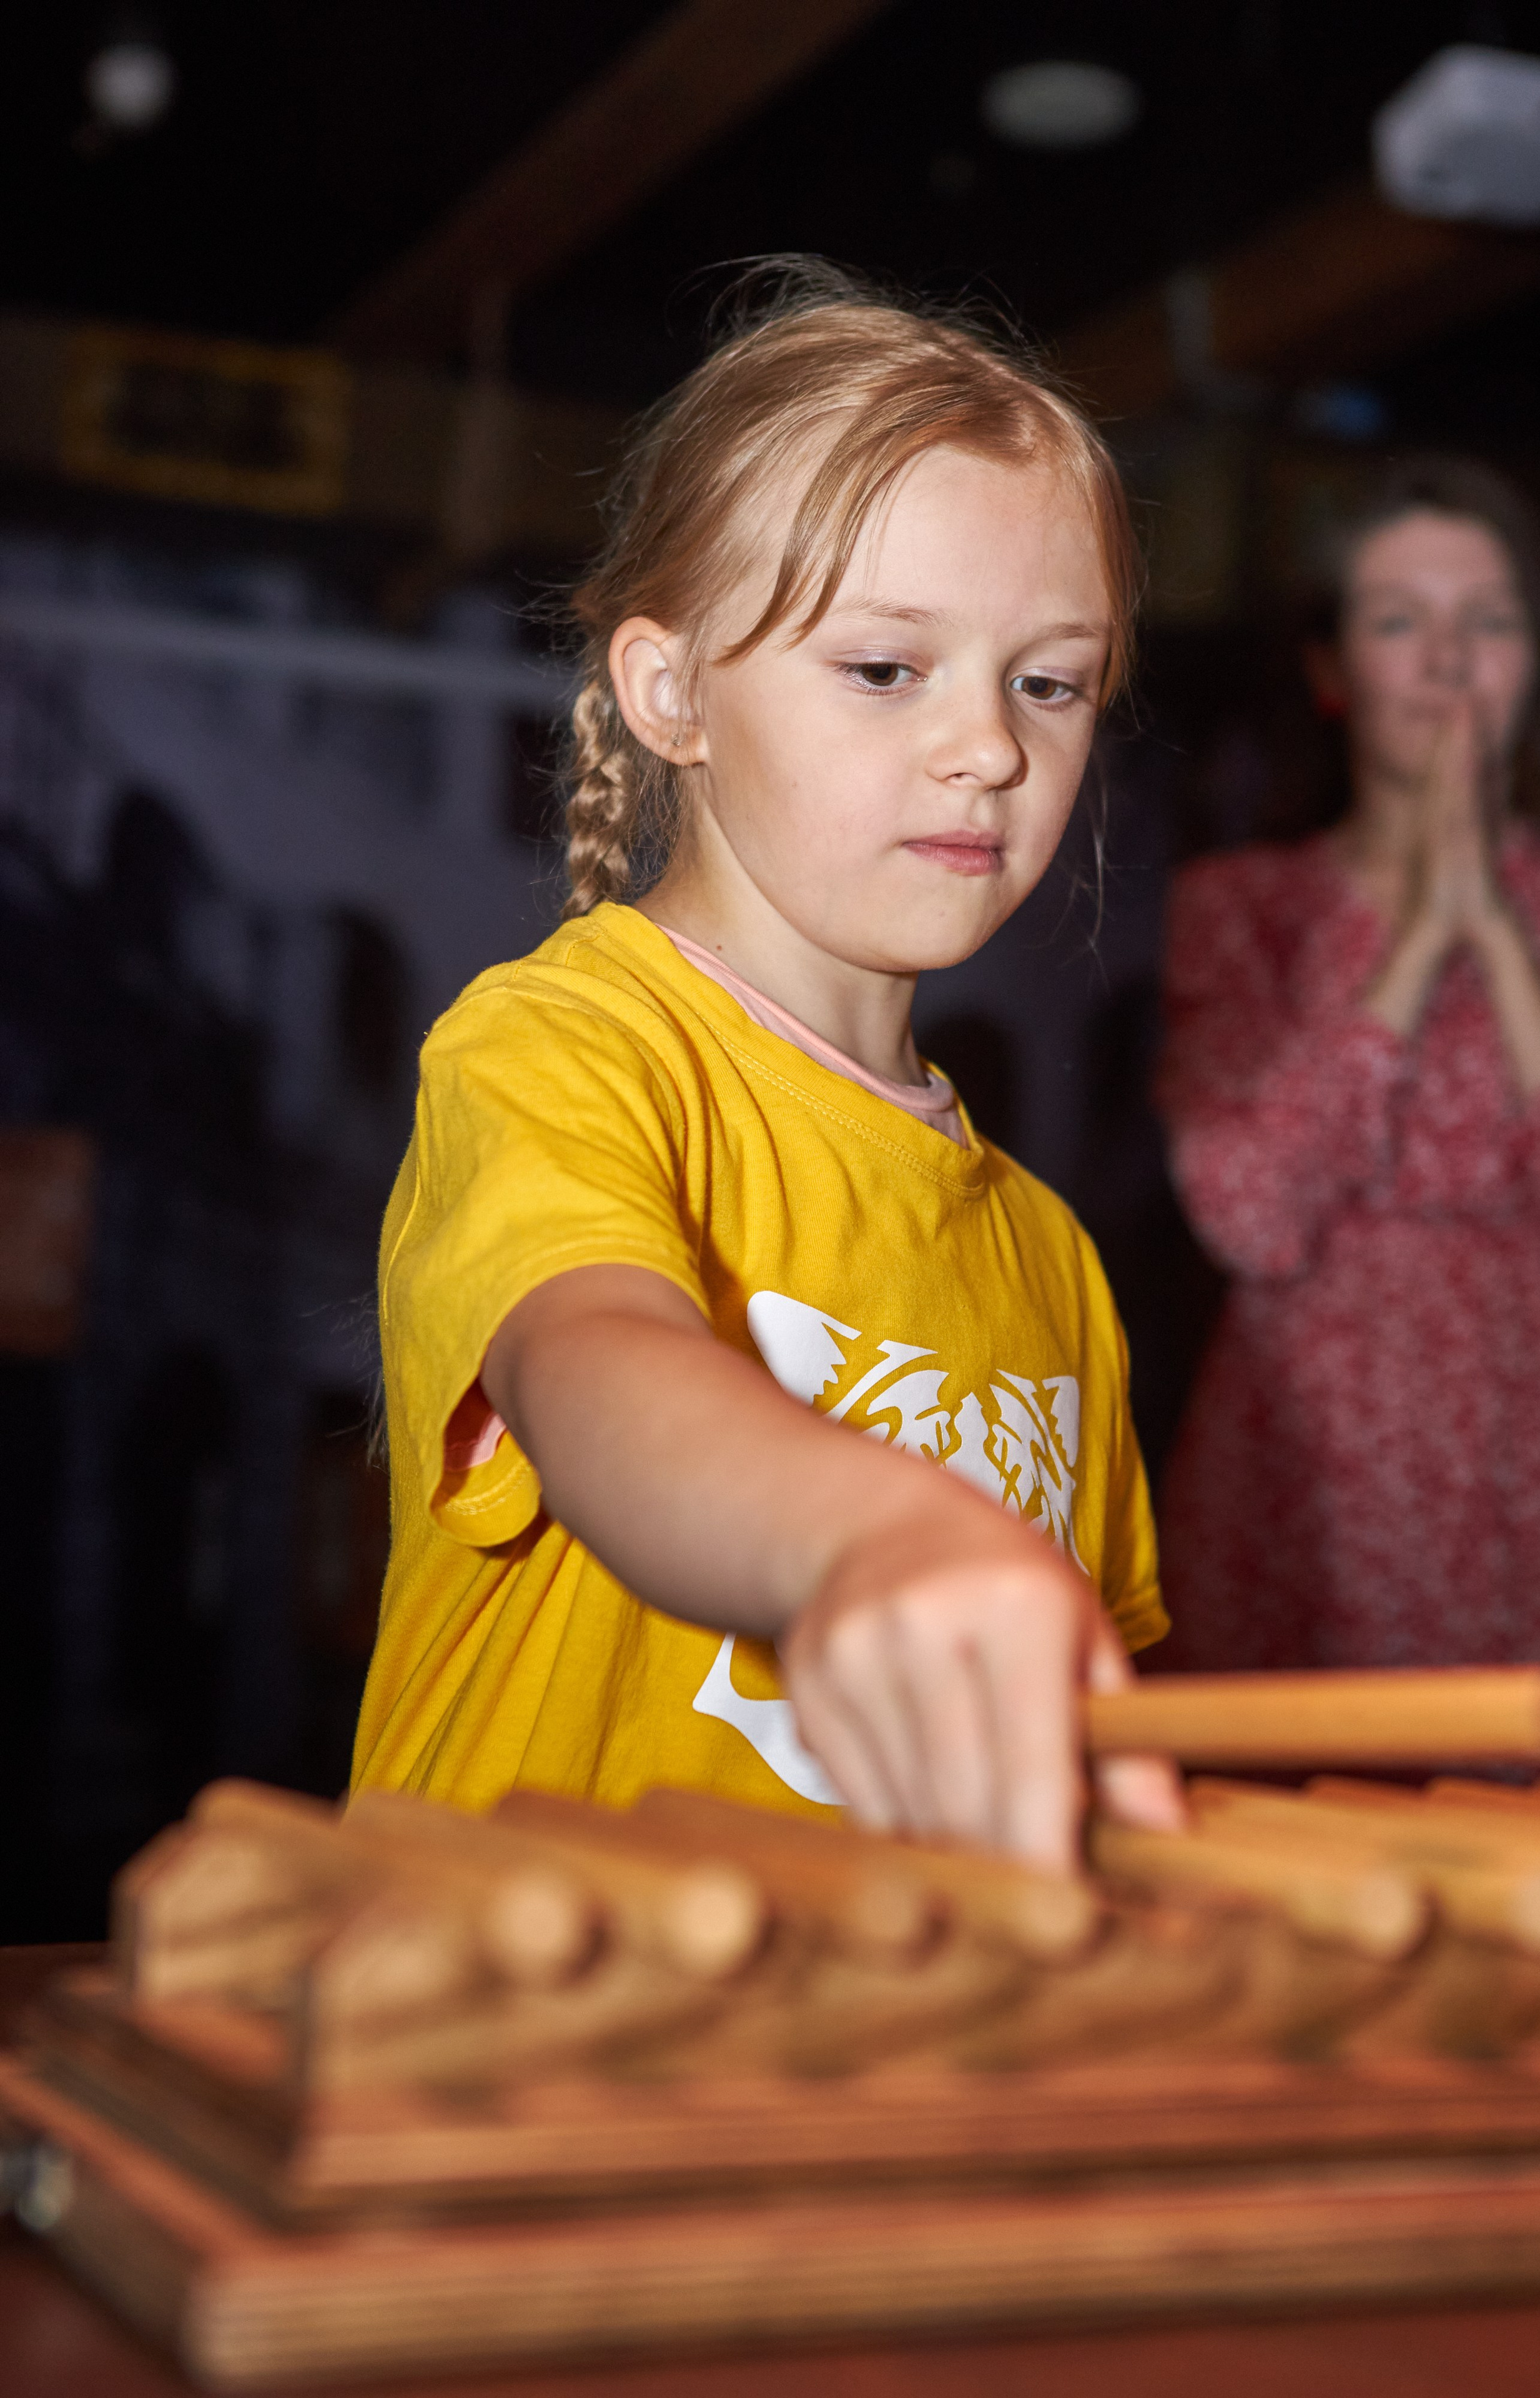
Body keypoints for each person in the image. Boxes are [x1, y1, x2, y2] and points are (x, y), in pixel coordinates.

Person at [351, 266, 1181, 1867]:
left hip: (868, 2062)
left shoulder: (1050, 1258)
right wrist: (861, 1532)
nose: (988, 748)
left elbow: (1081, 1721)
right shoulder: (568, 1046)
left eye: (1047, 681)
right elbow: (591, 1361)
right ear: (670, 694)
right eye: (886, 668)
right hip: (524, 2040)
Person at [1156, 459, 1540, 1727]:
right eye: (1400, 620)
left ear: (1533, 661)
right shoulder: (1246, 909)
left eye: (1489, 621)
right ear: (1331, 671)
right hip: (1308, 1466)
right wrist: (1412, 939)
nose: (1447, 662)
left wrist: (1502, 942)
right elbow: (1246, 1209)